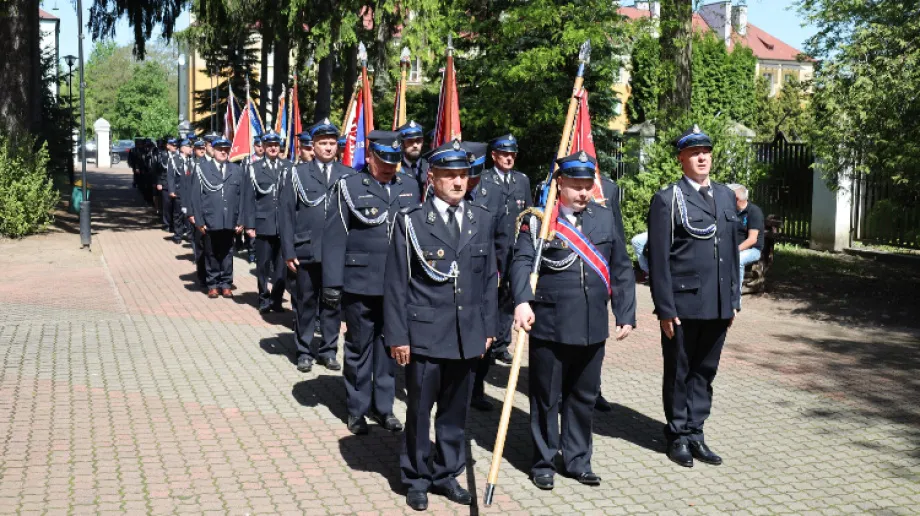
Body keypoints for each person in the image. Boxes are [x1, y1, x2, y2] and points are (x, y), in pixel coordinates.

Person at [384, 139, 498, 511]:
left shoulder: (481, 219)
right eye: (449, 175)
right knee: (419, 411)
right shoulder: (412, 223)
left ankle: (446, 473)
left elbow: (488, 280)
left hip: (467, 336)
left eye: (463, 175)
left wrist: (488, 327)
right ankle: (416, 477)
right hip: (425, 335)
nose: (457, 182)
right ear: (431, 178)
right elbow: (397, 284)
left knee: (454, 413)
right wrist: (398, 336)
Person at [511, 151, 635, 491]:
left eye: (587, 186)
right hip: (550, 323)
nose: (583, 193)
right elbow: (520, 262)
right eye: (576, 186)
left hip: (592, 324)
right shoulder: (539, 220)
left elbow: (621, 266)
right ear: (560, 183)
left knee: (582, 397)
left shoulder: (604, 218)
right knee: (546, 397)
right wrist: (522, 300)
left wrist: (625, 312)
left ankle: (579, 460)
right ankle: (544, 461)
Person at [646, 124, 741, 468]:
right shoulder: (668, 199)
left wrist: (733, 299)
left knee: (705, 372)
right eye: (694, 153)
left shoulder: (727, 196)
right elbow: (658, 260)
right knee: (680, 371)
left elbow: (730, 252)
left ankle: (697, 432)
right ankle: (677, 436)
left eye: (706, 152)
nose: (702, 158)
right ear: (681, 158)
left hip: (717, 303)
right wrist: (665, 309)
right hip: (683, 305)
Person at [324, 131, 420, 435]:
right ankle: (357, 408)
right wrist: (332, 283)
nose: (390, 166)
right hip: (361, 283)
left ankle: (384, 407)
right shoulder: (350, 186)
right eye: (383, 160)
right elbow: (335, 236)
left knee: (390, 347)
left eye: (394, 160)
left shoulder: (409, 186)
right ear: (370, 157)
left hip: (398, 286)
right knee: (359, 347)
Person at [279, 120, 349, 373]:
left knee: (332, 303)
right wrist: (288, 251)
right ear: (313, 145)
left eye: (332, 143)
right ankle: (304, 350)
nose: (328, 148)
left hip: (337, 253)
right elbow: (286, 215)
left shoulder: (348, 174)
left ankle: (329, 351)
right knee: (306, 302)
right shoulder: (297, 174)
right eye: (323, 143)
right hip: (306, 250)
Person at [478, 134, 531, 365]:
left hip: (513, 248)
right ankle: (487, 341)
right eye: (504, 154)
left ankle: (502, 343)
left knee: (509, 298)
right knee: (491, 297)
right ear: (494, 156)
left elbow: (527, 214)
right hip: (492, 249)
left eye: (512, 155)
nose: (509, 159)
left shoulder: (521, 180)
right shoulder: (483, 179)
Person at [242, 132, 291, 313]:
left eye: (276, 145)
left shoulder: (288, 167)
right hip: (263, 224)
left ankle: (276, 299)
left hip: (284, 225)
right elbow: (248, 198)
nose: (273, 148)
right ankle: (263, 297)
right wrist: (249, 224)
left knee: (281, 266)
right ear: (263, 146)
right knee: (263, 264)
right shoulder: (254, 168)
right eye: (269, 144)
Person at [190, 138, 245, 299]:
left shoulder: (236, 170)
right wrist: (199, 221)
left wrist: (241, 219)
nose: (223, 152)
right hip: (210, 219)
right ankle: (213, 284)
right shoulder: (202, 169)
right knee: (211, 253)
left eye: (226, 149)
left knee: (228, 253)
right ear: (212, 151)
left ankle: (226, 284)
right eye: (220, 149)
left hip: (230, 219)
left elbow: (241, 197)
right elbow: (196, 197)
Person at [727, 183, 764, 293]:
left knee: (738, 258)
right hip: (733, 247)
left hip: (752, 250)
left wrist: (733, 250)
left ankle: (735, 296)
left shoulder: (754, 212)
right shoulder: (731, 211)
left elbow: (752, 240)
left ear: (736, 198)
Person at [166, 139, 190, 243]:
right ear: (183, 148)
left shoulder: (192, 160)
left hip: (189, 191)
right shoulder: (174, 160)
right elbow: (170, 176)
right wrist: (171, 190)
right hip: (179, 190)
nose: (191, 149)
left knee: (189, 214)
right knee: (178, 214)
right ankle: (178, 235)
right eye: (188, 147)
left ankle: (190, 235)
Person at [397, 120, 429, 195]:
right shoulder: (396, 168)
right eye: (410, 141)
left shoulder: (430, 168)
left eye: (418, 141)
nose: (415, 145)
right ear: (402, 144)